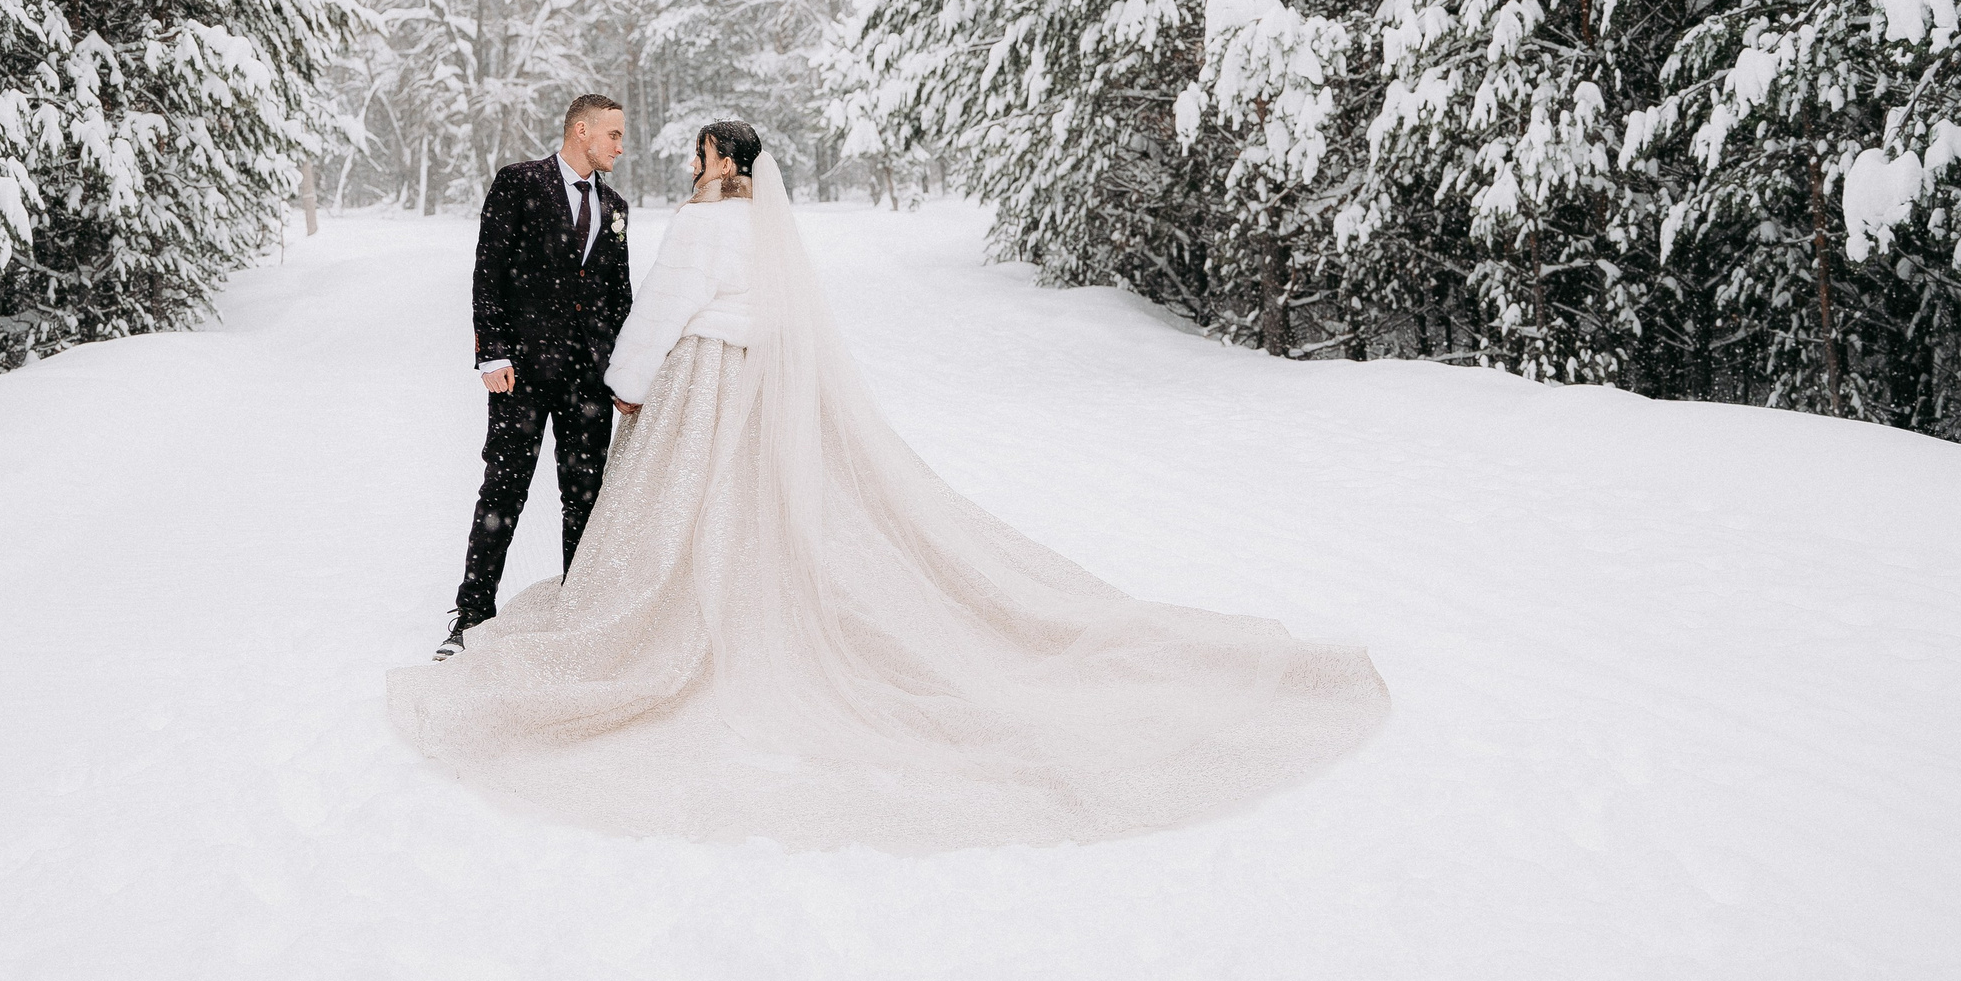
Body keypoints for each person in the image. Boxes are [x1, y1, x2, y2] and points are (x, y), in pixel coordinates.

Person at [392, 121, 1389, 853]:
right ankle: (729, 601)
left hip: (701, 378)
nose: (686, 165)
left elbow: (663, 310)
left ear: (722, 164)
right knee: (757, 508)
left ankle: (667, 620)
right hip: (755, 380)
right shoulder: (769, 233)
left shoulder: (703, 224)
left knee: (689, 506)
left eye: (698, 152)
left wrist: (627, 383)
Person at [433, 94, 633, 662]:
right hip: (519, 372)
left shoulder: (616, 205)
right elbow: (488, 271)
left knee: (586, 498)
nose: (621, 146)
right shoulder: (519, 183)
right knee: (504, 491)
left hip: (588, 379)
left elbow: (618, 297)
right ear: (581, 130)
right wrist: (492, 353)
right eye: (613, 135)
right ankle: (471, 617)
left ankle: (578, 614)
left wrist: (625, 373)